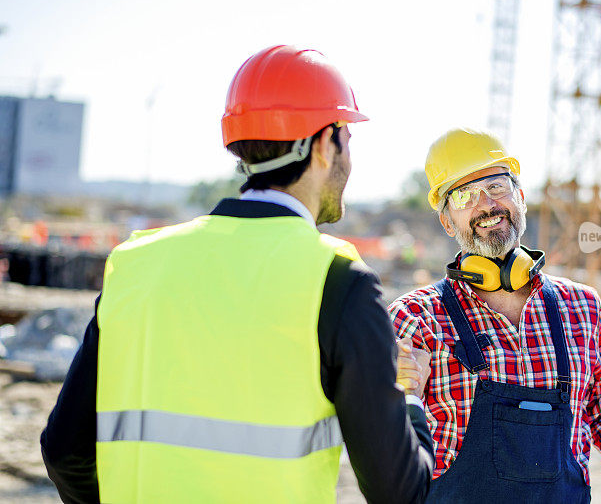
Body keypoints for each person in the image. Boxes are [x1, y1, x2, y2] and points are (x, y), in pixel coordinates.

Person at [41, 45, 433, 504]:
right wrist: (408, 395)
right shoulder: (339, 280)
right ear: (325, 144)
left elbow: (64, 451)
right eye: (348, 137)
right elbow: (400, 492)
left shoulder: (136, 263)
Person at [389, 128, 601, 504]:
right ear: (447, 222)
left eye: (495, 187)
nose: (486, 205)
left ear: (520, 198)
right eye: (463, 195)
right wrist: (402, 395)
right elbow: (380, 447)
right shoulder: (415, 319)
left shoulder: (582, 308)